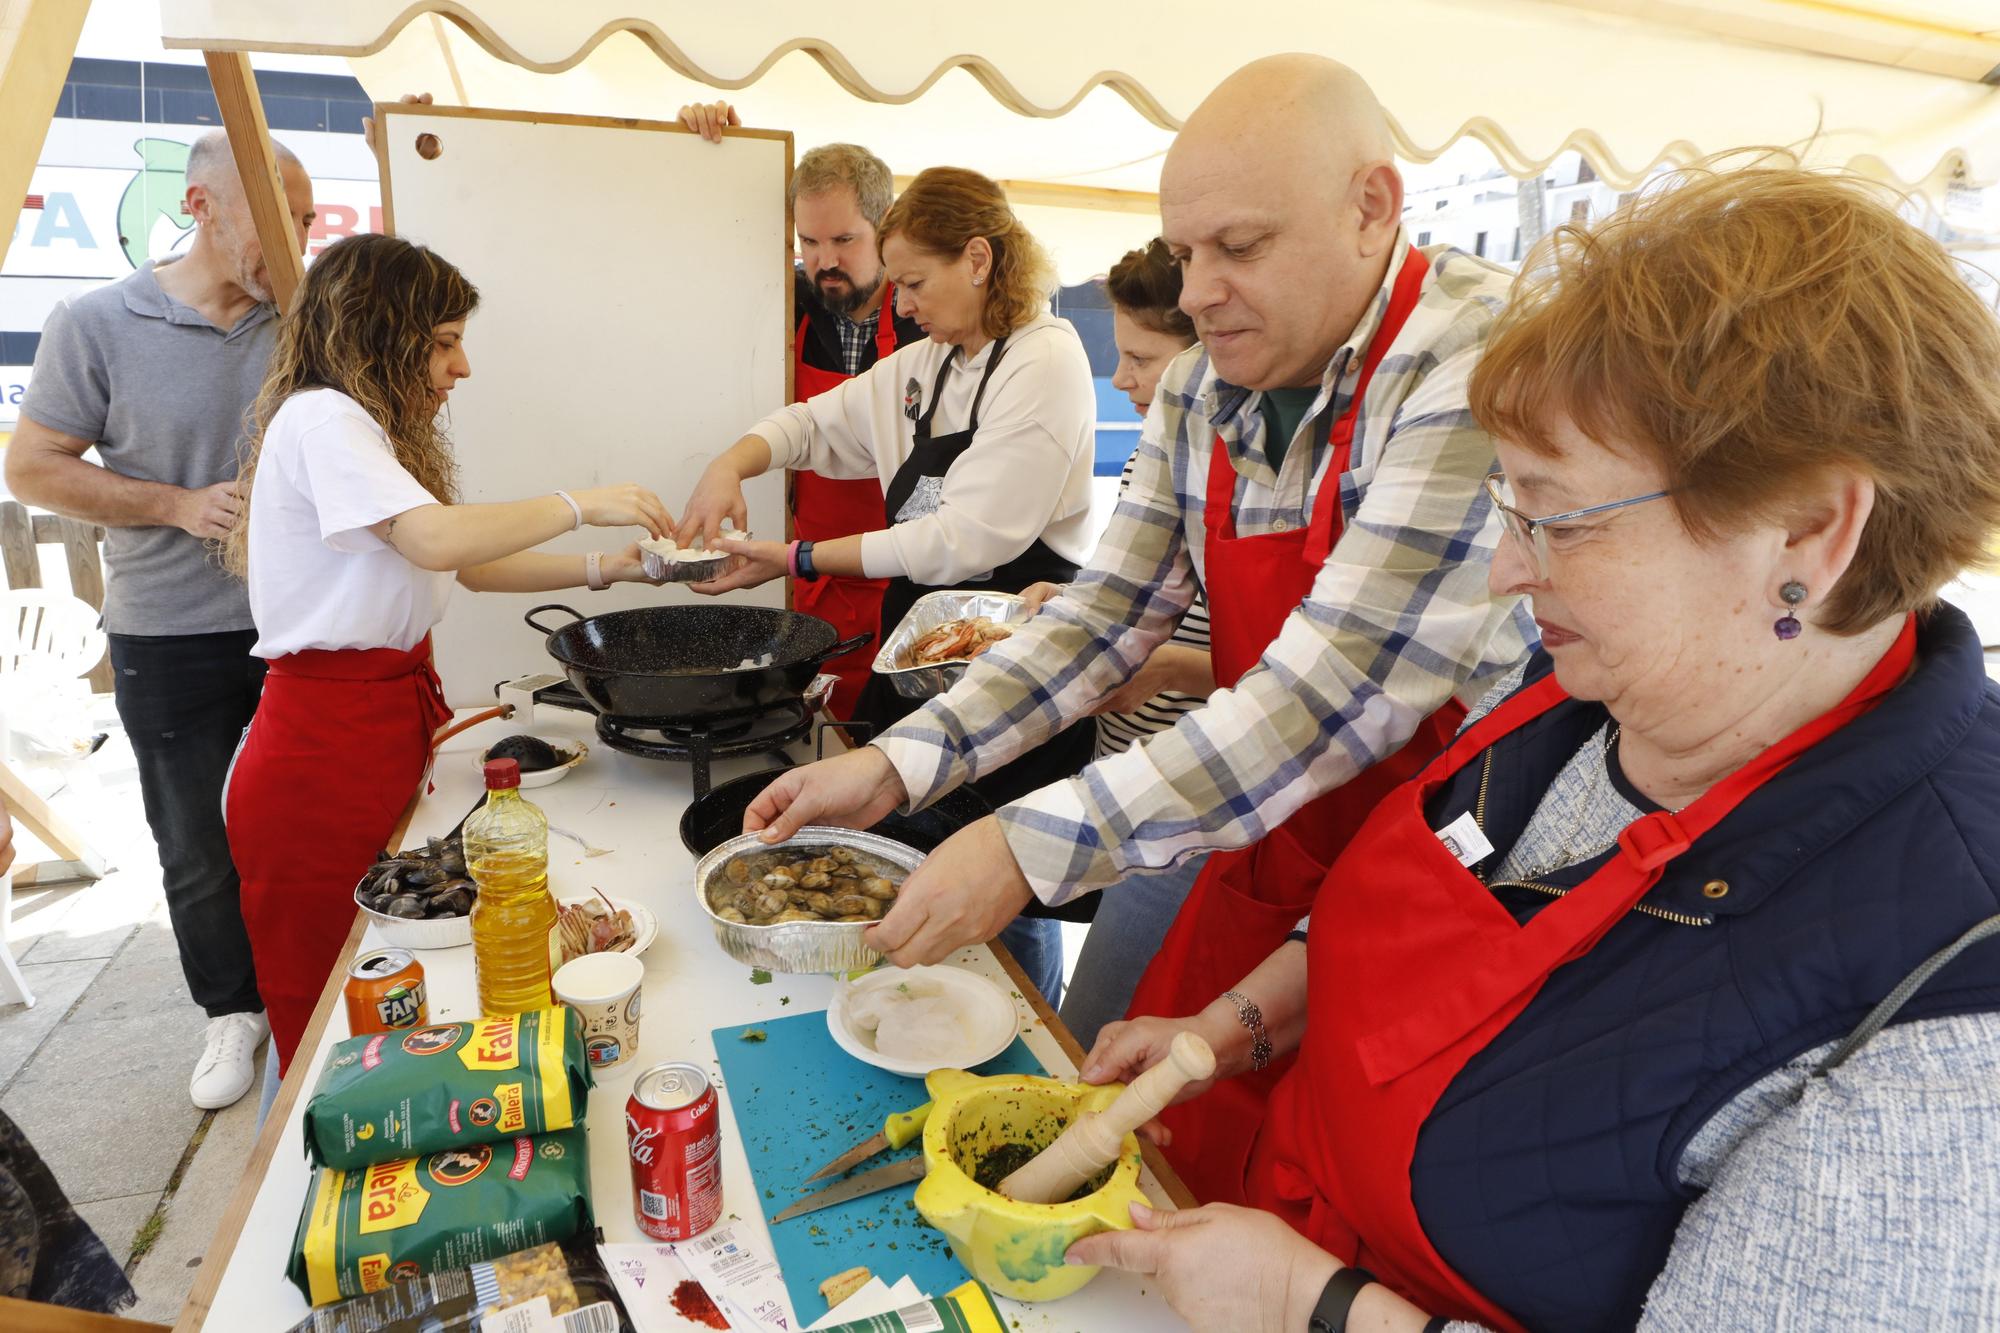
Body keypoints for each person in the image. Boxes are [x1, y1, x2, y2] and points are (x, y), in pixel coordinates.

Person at [1068, 165, 2000, 1332]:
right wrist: (1227, 1031)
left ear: (1809, 530)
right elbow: (1396, 923)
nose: (1510, 568)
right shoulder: (1587, 687)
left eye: (1554, 516)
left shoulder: (1947, 1019)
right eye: (1507, 510)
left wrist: (1312, 1305)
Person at [741, 53, 1533, 1197]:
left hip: (1436, 870)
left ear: (1373, 205)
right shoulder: (1207, 386)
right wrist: (899, 764)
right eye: (1185, 253)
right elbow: (1102, 619)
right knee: (1167, 1147)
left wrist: (1021, 846)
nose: (1200, 289)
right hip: (1265, 832)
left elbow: (1328, 692)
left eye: (1239, 247)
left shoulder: (1472, 361)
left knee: (1345, 1188)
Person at [220, 233, 672, 1068]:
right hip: (319, 756)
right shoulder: (325, 416)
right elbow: (434, 539)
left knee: (390, 996)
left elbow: (468, 562)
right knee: (334, 1015)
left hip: (371, 727)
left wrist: (615, 568)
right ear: (379, 330)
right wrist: (580, 503)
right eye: (443, 341)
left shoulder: (362, 430)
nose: (461, 367)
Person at [676, 166, 1099, 1006]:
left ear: (978, 259)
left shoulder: (1046, 361)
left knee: (1004, 885)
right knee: (921, 870)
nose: (901, 304)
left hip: (1018, 674)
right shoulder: (930, 361)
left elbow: (962, 539)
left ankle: (1022, 1022)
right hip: (926, 671)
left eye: (914, 282)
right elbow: (810, 425)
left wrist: (794, 558)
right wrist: (731, 462)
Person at [8, 131, 316, 1110]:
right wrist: (176, 505)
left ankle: (321, 985)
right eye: (282, 220)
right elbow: (32, 466)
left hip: (303, 623)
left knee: (308, 820)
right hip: (167, 630)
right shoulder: (96, 322)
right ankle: (234, 1013)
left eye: (307, 220)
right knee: (193, 837)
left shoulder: (304, 323)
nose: (297, 242)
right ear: (202, 207)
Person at [1018, 239, 1213, 1047]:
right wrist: (1073, 600)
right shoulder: (1150, 451)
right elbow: (1133, 590)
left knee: (1095, 1031)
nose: (1122, 378)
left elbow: (1299, 684)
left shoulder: (1254, 480)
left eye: (1141, 358)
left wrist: (1166, 665)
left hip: (1194, 807)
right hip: (1122, 768)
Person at [679, 102, 925, 720]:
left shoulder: (923, 315)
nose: (825, 260)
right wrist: (711, 154)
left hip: (913, 577)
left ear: (886, 227)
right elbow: (693, 252)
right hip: (813, 572)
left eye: (844, 239)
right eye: (808, 242)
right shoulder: (785, 307)